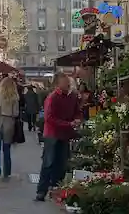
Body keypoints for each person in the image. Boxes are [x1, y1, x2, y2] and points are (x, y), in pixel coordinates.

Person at [35, 72, 83, 202]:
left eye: (67, 81)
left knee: (62, 163)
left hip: (64, 134)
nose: (67, 83)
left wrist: (77, 119)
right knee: (48, 162)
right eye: (64, 81)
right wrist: (69, 124)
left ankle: (56, 189)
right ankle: (41, 191)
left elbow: (77, 111)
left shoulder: (72, 97)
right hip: (52, 134)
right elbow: (49, 118)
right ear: (58, 84)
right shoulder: (52, 98)